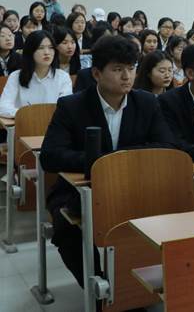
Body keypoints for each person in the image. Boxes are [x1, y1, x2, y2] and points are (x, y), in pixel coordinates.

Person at [40, 35, 176, 287]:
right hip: (80, 189)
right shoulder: (72, 106)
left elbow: (166, 146)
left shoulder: (146, 102)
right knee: (67, 229)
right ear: (96, 74)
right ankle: (100, 292)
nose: (127, 76)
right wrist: (100, 163)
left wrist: (117, 161)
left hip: (135, 185)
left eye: (131, 69)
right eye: (117, 69)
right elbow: (50, 156)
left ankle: (133, 288)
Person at [0, 31, 73, 117]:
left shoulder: (63, 77)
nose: (47, 52)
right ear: (30, 51)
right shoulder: (16, 76)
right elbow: (3, 107)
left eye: (51, 47)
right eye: (41, 48)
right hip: (24, 123)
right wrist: (30, 115)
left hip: (52, 123)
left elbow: (65, 108)